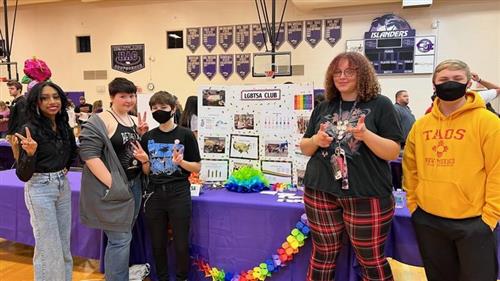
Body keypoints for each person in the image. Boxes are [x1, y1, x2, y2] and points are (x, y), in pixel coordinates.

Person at [300, 52, 403, 281]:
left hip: (367, 194)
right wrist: (316, 141)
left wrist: (366, 135)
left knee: (371, 259)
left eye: (350, 71)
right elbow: (305, 147)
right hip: (320, 190)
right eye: (337, 71)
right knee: (323, 254)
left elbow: (393, 151)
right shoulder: (324, 106)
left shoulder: (381, 104)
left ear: (363, 74)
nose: (342, 76)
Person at [403, 59, 500, 281]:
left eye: (457, 79)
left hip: (474, 222)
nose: (450, 84)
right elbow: (411, 167)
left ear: (468, 84)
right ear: (434, 84)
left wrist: (490, 216)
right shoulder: (422, 125)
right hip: (428, 219)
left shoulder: (488, 122)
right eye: (444, 79)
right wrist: (413, 204)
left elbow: (497, 170)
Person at [79, 77, 149, 281]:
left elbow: (132, 150)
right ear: (112, 97)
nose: (129, 100)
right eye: (123, 96)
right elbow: (89, 156)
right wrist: (115, 185)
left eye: (132, 95)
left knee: (123, 237)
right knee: (120, 239)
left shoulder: (134, 120)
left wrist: (141, 135)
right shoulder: (99, 120)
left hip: (134, 186)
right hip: (115, 189)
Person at [14, 81, 78, 281]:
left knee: (63, 246)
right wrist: (30, 154)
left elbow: (71, 155)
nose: (52, 101)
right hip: (39, 188)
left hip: (62, 185)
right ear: (36, 102)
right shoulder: (29, 129)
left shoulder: (63, 125)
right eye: (45, 98)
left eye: (56, 97)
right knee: (48, 247)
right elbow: (23, 175)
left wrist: (63, 169)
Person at [138, 91, 201, 281]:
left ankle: (182, 278)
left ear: (173, 109)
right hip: (154, 194)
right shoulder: (148, 137)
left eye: (163, 108)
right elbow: (147, 172)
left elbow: (197, 166)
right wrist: (144, 162)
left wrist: (181, 162)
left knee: (181, 244)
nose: (159, 111)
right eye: (154, 108)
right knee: (158, 244)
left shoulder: (186, 134)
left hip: (179, 193)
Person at [6, 79, 27, 160]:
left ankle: (23, 172)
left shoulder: (22, 101)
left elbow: (22, 120)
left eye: (12, 88)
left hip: (17, 133)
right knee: (16, 156)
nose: (10, 91)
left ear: (19, 90)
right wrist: (9, 133)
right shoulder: (14, 101)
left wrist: (17, 134)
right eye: (9, 89)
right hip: (12, 132)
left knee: (19, 156)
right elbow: (12, 119)